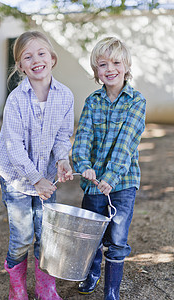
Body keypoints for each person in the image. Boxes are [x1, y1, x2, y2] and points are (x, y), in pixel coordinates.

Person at [0, 31, 74, 300]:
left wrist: (62, 159)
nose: (36, 60)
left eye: (41, 53)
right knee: (22, 237)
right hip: (17, 177)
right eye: (27, 56)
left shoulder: (65, 96)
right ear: (21, 66)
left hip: (48, 178)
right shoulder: (16, 100)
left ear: (52, 58)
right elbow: (13, 147)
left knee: (46, 235)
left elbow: (63, 136)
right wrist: (35, 179)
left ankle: (45, 288)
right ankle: (17, 287)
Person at [72, 36, 146, 300]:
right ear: (96, 71)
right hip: (94, 184)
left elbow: (126, 144)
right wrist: (85, 166)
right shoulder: (93, 102)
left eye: (116, 62)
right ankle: (91, 274)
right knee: (90, 235)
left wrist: (111, 177)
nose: (110, 68)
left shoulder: (136, 101)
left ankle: (111, 291)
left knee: (117, 238)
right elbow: (82, 138)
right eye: (103, 64)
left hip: (123, 183)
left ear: (126, 66)